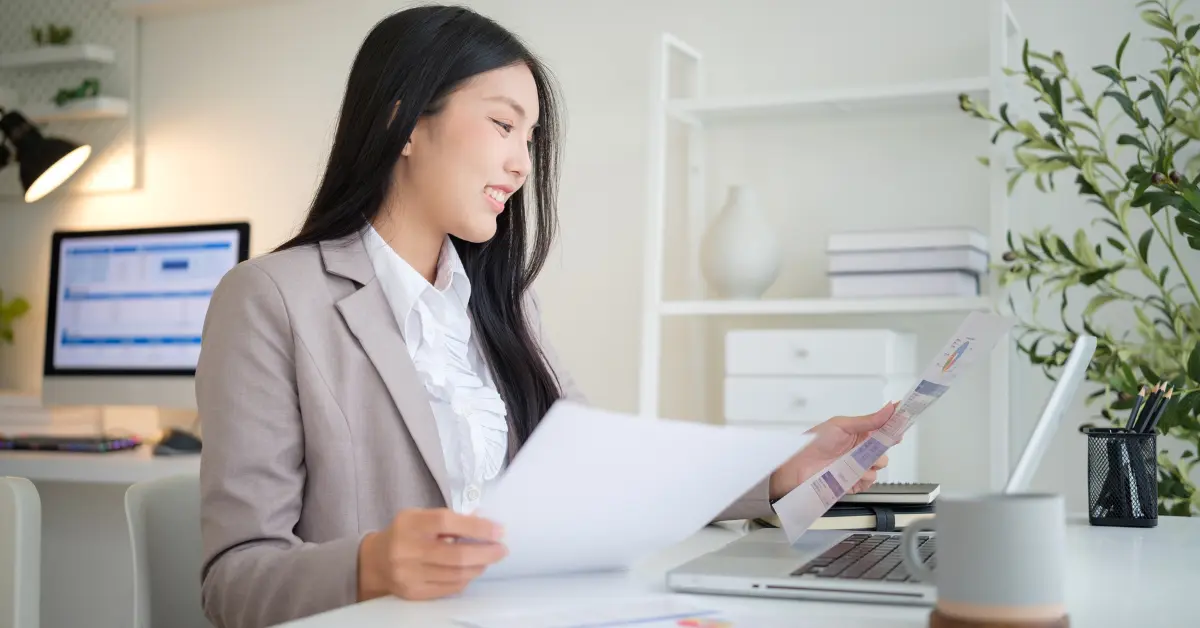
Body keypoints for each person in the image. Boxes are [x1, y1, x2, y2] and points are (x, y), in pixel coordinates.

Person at [194, 5, 895, 628]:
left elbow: (599, 476)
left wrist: (778, 467)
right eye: (503, 125)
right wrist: (372, 564)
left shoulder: (503, 304)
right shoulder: (270, 298)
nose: (522, 164)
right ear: (402, 122)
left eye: (528, 139)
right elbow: (233, 582)